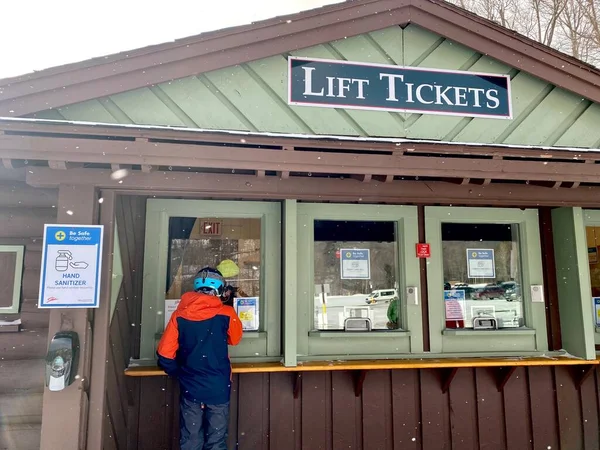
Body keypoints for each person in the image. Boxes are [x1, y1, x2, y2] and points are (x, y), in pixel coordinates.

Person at [157, 266, 243, 450]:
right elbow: (235, 340)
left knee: (190, 439)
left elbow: (165, 354)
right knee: (216, 440)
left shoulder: (179, 315)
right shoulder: (226, 314)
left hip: (191, 385)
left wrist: (178, 372)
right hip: (218, 385)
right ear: (220, 290)